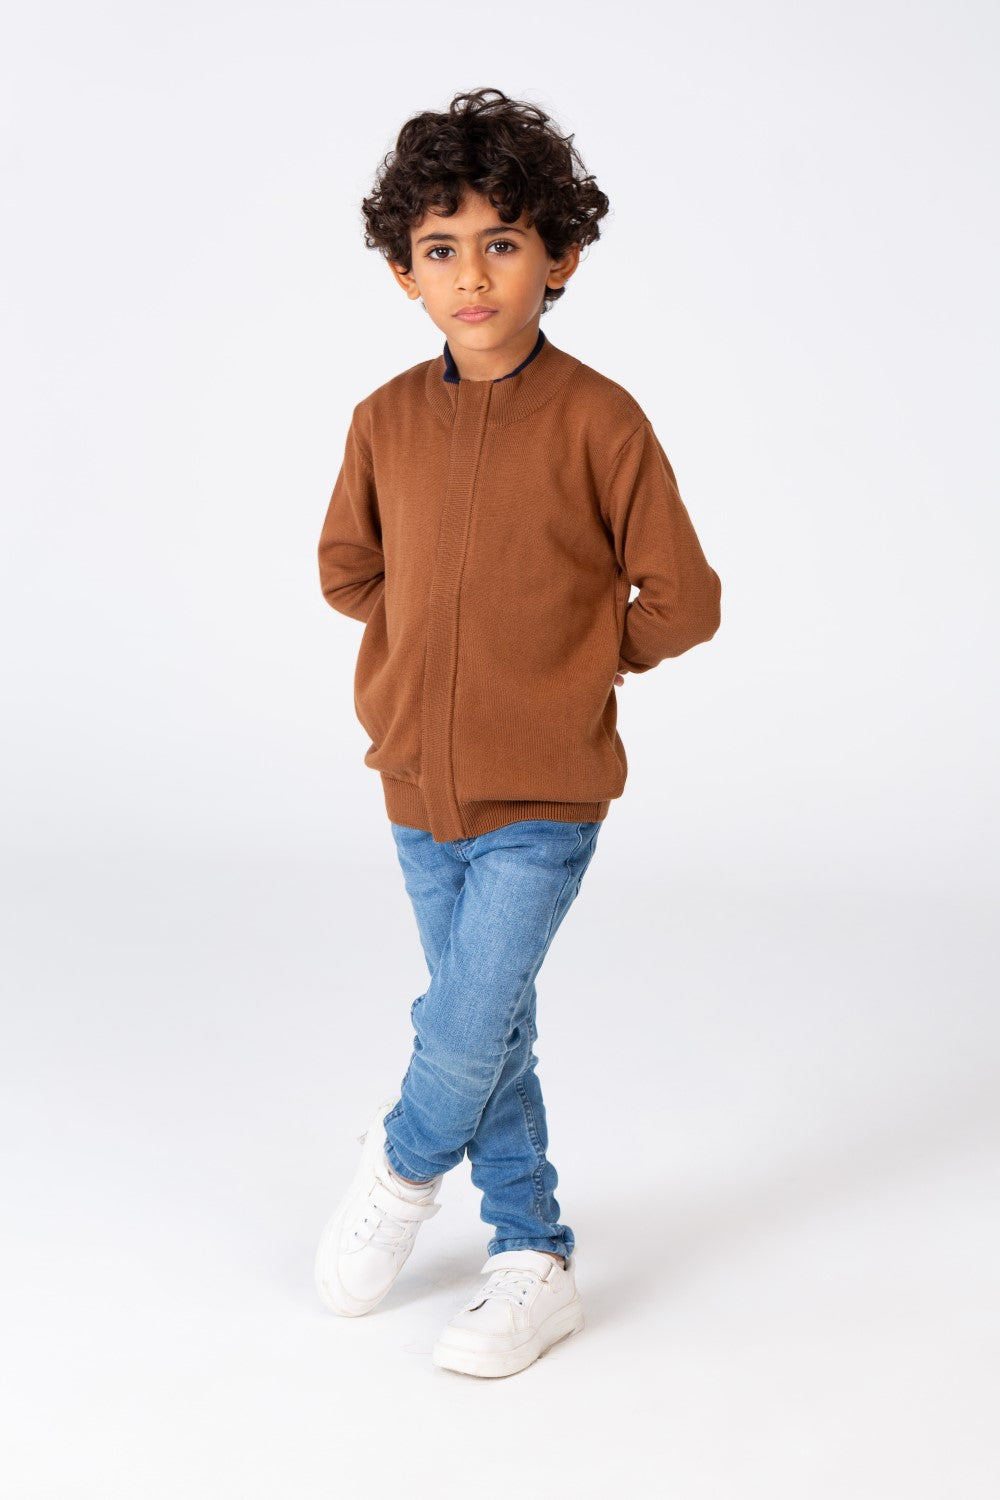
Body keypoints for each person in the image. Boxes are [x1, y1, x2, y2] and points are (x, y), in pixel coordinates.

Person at [314, 86, 722, 1379]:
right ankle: (534, 1255)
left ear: (562, 257)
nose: (473, 275)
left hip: (543, 793)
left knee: (463, 1024)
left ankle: (398, 1169)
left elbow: (685, 599)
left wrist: (568, 664)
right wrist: (427, 650)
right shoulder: (383, 419)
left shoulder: (602, 419)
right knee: (494, 1029)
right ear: (405, 273)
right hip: (413, 784)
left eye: (502, 242)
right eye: (441, 249)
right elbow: (347, 570)